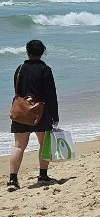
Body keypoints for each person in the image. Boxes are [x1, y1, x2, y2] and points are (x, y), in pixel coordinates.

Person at [8, 40, 59, 191]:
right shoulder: (45, 69)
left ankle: (12, 180)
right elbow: (51, 95)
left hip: (21, 110)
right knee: (44, 144)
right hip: (41, 111)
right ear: (42, 52)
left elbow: (17, 90)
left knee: (18, 146)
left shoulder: (20, 68)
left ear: (27, 52)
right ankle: (43, 176)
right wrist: (55, 116)